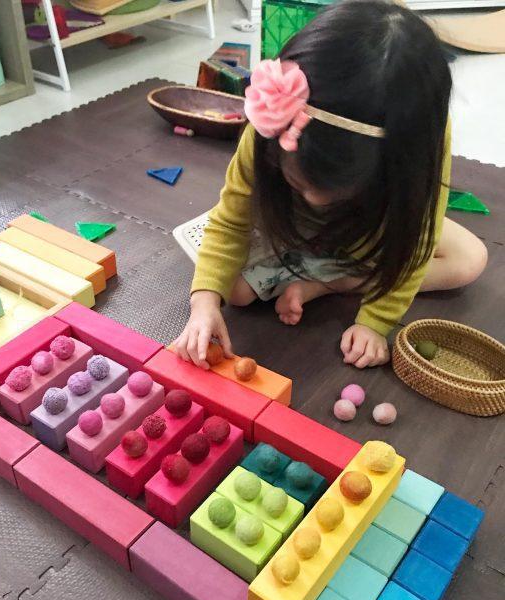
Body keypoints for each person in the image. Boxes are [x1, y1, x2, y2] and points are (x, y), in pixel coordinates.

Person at [175, 0, 487, 370]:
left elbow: (415, 245)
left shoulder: (417, 149)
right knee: (235, 293)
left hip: (371, 232)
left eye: (334, 190)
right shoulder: (273, 122)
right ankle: (331, 276)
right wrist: (204, 305)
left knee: (470, 261)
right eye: (298, 183)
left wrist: (375, 321)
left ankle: (330, 283)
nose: (316, 200)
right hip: (292, 230)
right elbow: (231, 219)